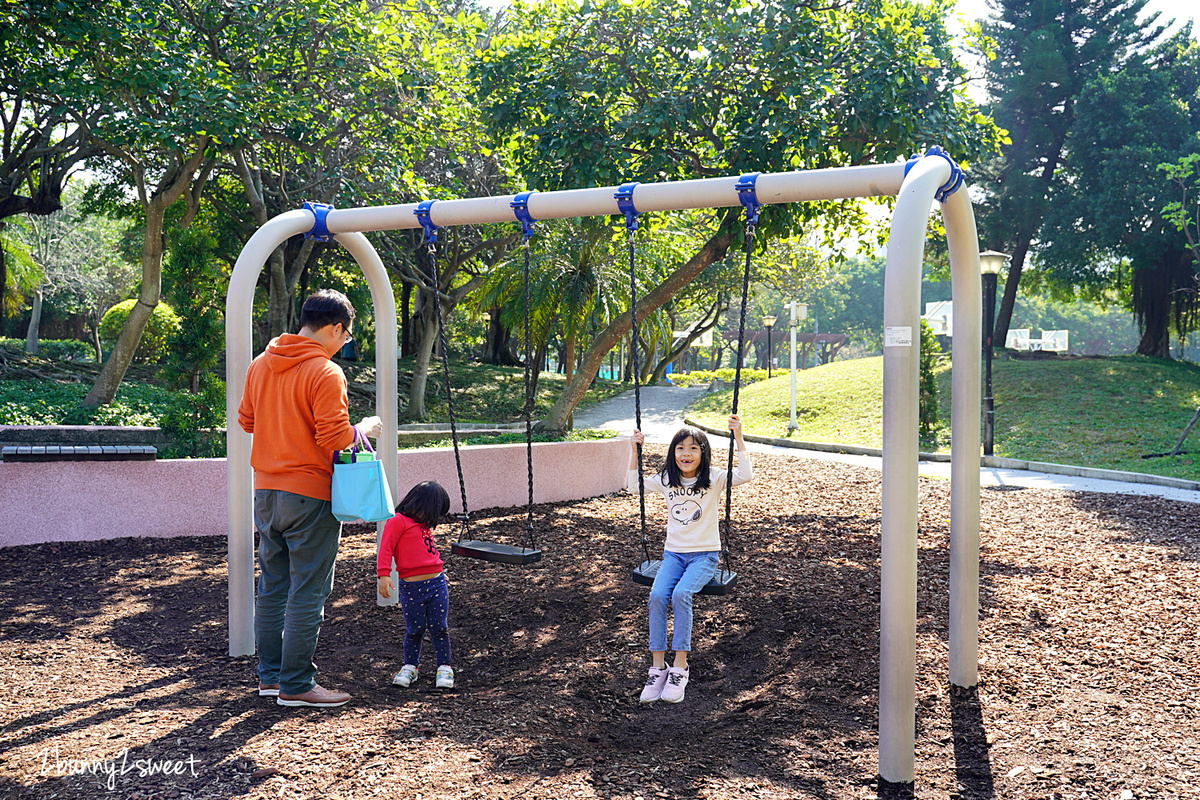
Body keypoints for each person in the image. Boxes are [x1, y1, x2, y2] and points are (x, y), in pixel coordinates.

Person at [238, 289, 383, 708]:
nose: (345, 344)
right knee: (308, 591)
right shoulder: (325, 371)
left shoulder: (260, 365)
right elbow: (335, 436)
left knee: (272, 587)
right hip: (309, 495)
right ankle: (297, 684)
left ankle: (269, 679)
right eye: (347, 336)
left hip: (265, 492)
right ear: (335, 328)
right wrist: (365, 428)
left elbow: (247, 421)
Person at [629, 416, 753, 704]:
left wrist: (739, 437)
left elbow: (745, 475)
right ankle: (657, 668)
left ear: (703, 454)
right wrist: (633, 450)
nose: (686, 454)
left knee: (682, 593)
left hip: (705, 556)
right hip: (673, 554)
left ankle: (680, 667)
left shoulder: (713, 479)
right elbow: (632, 487)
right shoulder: (667, 480)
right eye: (680, 448)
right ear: (673, 453)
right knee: (658, 595)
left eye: (694, 448)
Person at [377, 481, 455, 690]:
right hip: (411, 588)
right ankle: (410, 666)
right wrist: (383, 575)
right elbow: (386, 548)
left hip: (437, 583)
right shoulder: (398, 522)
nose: (435, 519)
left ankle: (444, 667)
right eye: (436, 512)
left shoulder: (422, 526)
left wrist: (439, 572)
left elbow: (427, 552)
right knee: (414, 629)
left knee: (440, 627)